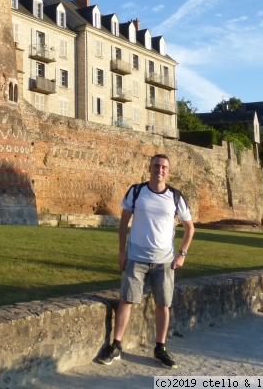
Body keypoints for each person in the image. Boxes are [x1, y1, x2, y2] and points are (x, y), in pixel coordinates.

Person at [98, 153, 194, 369]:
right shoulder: (137, 191)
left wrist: (182, 254)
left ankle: (160, 348)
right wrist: (121, 252)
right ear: (149, 168)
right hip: (136, 258)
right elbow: (123, 223)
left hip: (165, 261)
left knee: (163, 304)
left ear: (168, 171)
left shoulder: (175, 196)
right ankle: (116, 346)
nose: (160, 170)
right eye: (156, 166)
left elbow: (190, 227)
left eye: (164, 168)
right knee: (126, 300)